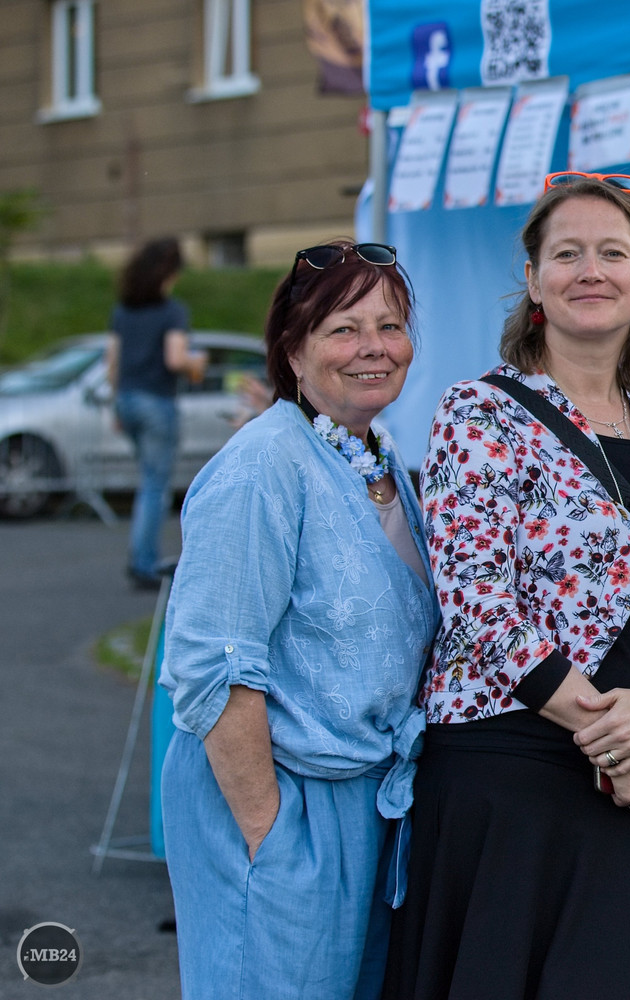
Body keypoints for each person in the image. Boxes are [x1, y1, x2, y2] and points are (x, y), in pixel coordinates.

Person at [384, 177, 630, 999]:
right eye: (567, 253)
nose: (590, 271)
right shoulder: (478, 413)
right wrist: (614, 739)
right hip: (515, 765)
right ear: (534, 278)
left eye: (612, 253)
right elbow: (478, 602)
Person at [158, 240, 439, 999]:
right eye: (344, 329)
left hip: (366, 806)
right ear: (293, 350)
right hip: (281, 802)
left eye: (390, 325)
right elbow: (212, 664)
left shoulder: (376, 455)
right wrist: (269, 830)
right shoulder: (263, 466)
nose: (374, 347)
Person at [105, 237, 205, 588]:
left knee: (146, 481)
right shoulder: (172, 311)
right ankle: (144, 564)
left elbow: (112, 363)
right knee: (155, 486)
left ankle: (141, 557)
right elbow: (175, 359)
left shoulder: (123, 311)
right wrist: (197, 362)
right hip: (157, 403)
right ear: (170, 273)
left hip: (128, 399)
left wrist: (118, 405)